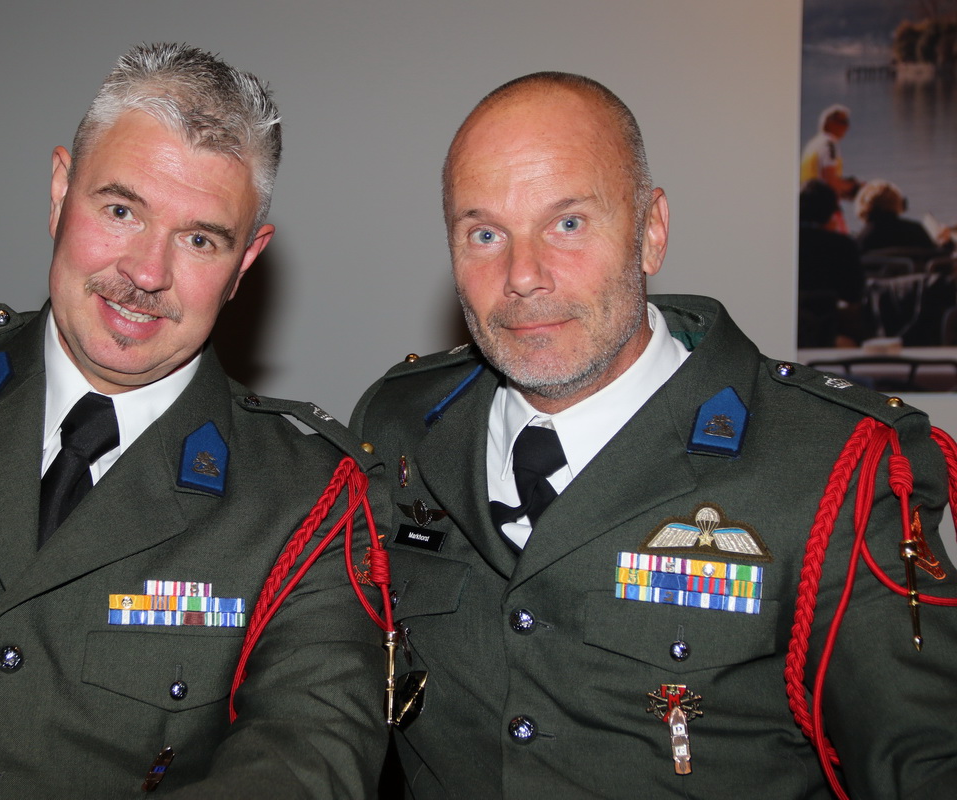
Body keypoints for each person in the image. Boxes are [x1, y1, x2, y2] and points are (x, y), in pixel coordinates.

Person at [0, 44, 387, 798]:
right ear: (60, 192)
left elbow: (309, 760)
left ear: (245, 261)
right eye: (121, 211)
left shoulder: (308, 499)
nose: (147, 273)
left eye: (199, 239)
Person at [352, 72, 957, 797]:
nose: (523, 276)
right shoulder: (399, 427)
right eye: (485, 234)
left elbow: (924, 758)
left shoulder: (832, 463)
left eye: (568, 224)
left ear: (651, 232)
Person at [797, 179, 864, 347]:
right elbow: (854, 293)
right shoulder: (843, 245)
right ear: (830, 212)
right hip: (831, 329)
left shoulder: (780, 244)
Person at [800, 104, 860, 231]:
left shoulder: (813, 144)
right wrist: (855, 187)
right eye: (843, 122)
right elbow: (830, 181)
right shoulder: (829, 143)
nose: (847, 127)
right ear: (829, 123)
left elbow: (820, 178)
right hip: (824, 208)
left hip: (807, 205)